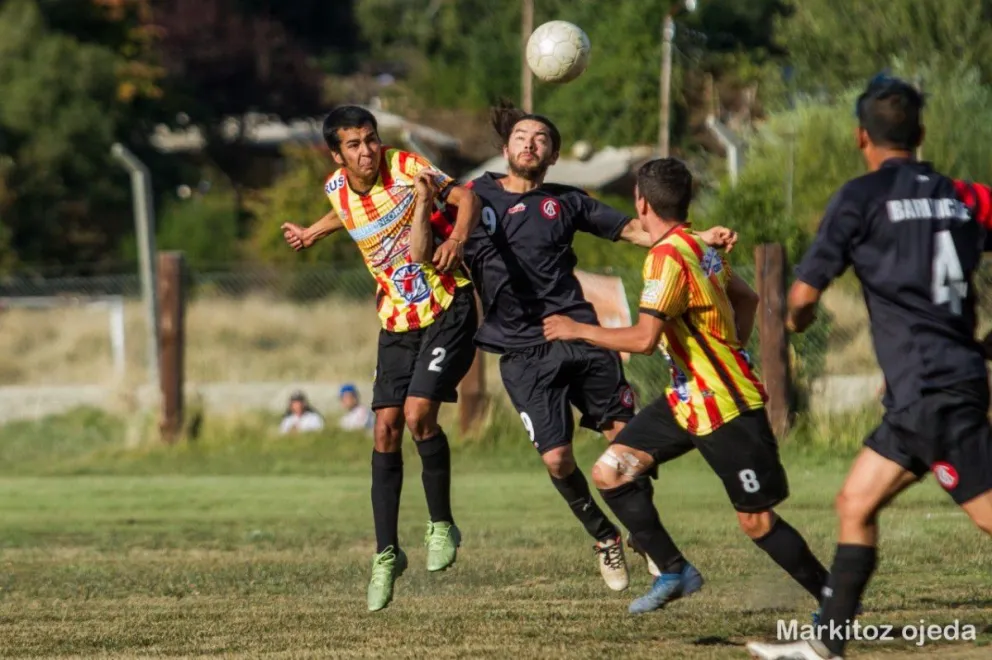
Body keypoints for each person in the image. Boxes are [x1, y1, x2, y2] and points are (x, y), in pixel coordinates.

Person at [746, 75, 992, 659]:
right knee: (854, 504)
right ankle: (826, 645)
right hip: (928, 385)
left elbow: (803, 298)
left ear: (861, 136)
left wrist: (797, 324)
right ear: (922, 134)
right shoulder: (964, 197)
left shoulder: (860, 198)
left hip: (931, 387)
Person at [460, 102, 738, 591]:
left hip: (581, 335)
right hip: (523, 351)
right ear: (505, 148)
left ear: (554, 154)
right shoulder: (474, 195)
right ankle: (603, 534)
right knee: (557, 460)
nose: (530, 142)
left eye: (541, 138)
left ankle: (650, 542)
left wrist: (699, 237)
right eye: (522, 136)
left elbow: (638, 231)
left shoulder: (568, 201)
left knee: (627, 445)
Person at [543, 157, 829, 615]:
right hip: (689, 398)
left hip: (725, 404)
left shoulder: (669, 255)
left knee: (755, 521)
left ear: (641, 201)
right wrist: (731, 345)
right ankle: (673, 569)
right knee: (611, 471)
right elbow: (747, 298)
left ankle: (834, 600)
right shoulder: (697, 244)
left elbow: (643, 339)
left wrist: (578, 330)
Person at [281, 105, 482, 612]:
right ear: (337, 154)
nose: (367, 150)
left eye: (370, 139)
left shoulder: (408, 168)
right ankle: (387, 554)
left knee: (418, 416)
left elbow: (466, 196)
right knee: (384, 428)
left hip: (445, 305)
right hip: (396, 319)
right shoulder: (334, 188)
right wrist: (311, 232)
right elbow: (347, 212)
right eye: (354, 144)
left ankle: (441, 524)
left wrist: (457, 237)